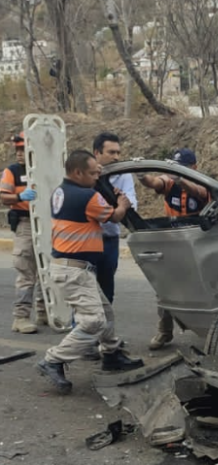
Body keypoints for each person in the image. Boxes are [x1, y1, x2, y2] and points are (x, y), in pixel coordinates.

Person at [36, 150, 143, 395]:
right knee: (94, 320)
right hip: (74, 270)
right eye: (94, 173)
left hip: (70, 267)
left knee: (106, 312)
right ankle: (53, 360)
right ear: (77, 172)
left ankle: (112, 354)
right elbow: (114, 218)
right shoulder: (87, 196)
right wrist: (123, 204)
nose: (97, 177)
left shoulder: (61, 191)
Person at [136, 147, 210, 350]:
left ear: (193, 167)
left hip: (196, 243)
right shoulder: (169, 183)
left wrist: (182, 179)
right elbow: (155, 182)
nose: (178, 172)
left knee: (203, 289)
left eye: (184, 168)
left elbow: (200, 193)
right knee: (164, 289)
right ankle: (164, 332)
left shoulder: (202, 182)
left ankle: (210, 330)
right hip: (171, 241)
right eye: (176, 168)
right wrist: (143, 177)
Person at [1, 132, 48, 333]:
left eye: (24, 149)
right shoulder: (12, 171)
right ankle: (21, 317)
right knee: (26, 270)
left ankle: (44, 312)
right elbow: (3, 196)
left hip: (46, 221)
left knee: (46, 271)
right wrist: (20, 195)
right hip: (25, 222)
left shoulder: (44, 170)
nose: (20, 154)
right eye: (17, 150)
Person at [93, 132, 137, 304]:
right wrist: (118, 204)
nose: (116, 157)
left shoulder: (124, 175)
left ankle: (104, 329)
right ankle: (81, 329)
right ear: (97, 153)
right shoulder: (85, 173)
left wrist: (121, 200)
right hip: (88, 239)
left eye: (118, 153)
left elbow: (131, 203)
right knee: (85, 292)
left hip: (110, 238)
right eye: (111, 153)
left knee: (106, 290)